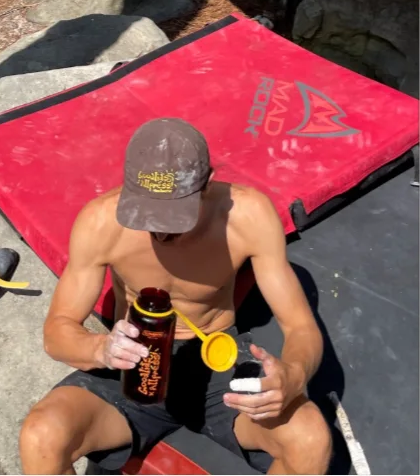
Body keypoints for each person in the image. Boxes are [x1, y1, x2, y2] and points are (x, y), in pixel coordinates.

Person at [19, 117, 332, 475]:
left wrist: (292, 377)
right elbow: (56, 333)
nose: (160, 230)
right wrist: (100, 349)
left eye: (174, 216)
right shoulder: (100, 223)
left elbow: (301, 327)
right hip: (133, 364)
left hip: (215, 363)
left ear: (207, 185)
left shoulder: (248, 217)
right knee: (40, 435)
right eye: (147, 212)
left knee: (311, 439)